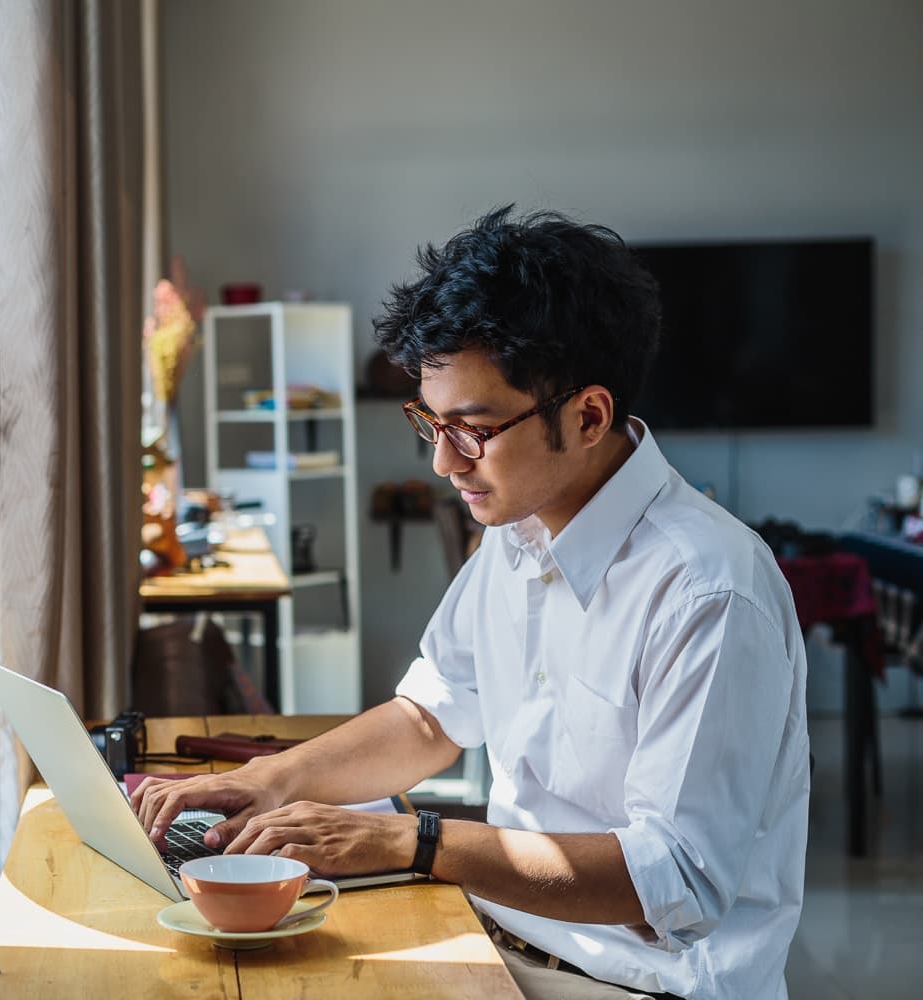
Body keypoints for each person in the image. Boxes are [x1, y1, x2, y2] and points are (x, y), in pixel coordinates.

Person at [133, 207, 809, 1000]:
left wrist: (410, 841)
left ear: (588, 415)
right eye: (431, 420)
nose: (442, 460)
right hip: (493, 936)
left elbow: (676, 883)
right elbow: (431, 715)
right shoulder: (517, 533)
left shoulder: (708, 589)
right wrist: (275, 781)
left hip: (632, 985)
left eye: (473, 428)